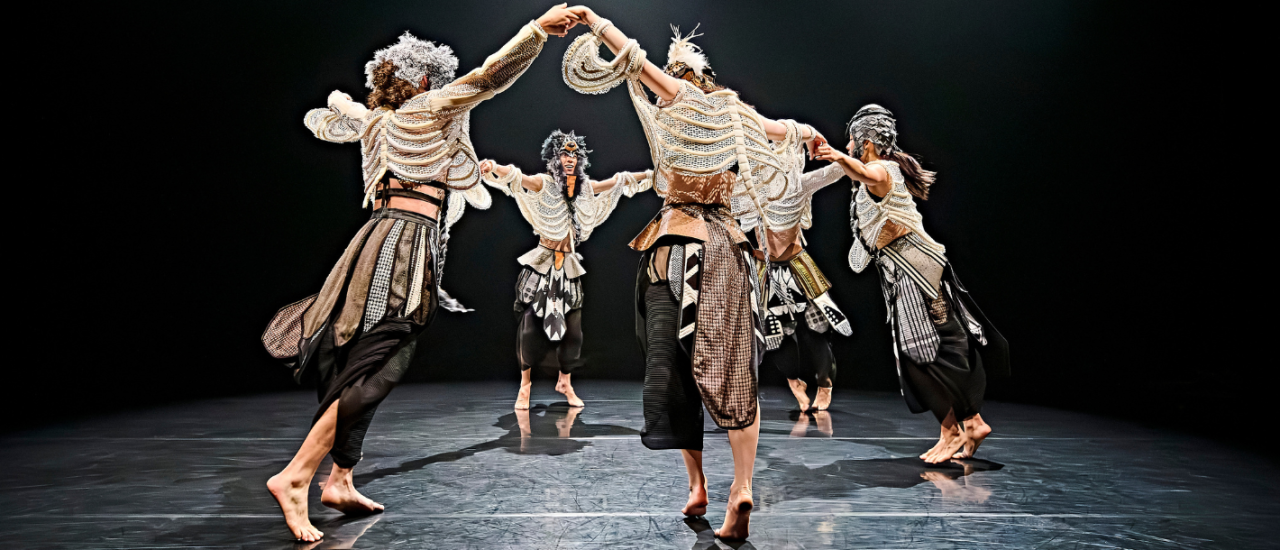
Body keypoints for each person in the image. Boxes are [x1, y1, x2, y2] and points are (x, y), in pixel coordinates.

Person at [257, 6, 581, 541]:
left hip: (380, 240)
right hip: (401, 246)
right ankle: (295, 476)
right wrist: (536, 32)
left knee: (366, 357)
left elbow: (334, 119)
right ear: (427, 79)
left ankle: (340, 478)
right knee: (383, 358)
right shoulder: (426, 110)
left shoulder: (378, 121)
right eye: (439, 79)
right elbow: (488, 77)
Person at [561, 8, 823, 540]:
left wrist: (593, 19)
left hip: (676, 250)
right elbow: (786, 130)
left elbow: (633, 60)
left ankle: (698, 483)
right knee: (731, 369)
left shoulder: (680, 99)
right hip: (729, 253)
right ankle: (738, 485)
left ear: (683, 80)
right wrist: (807, 134)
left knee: (672, 370)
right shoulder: (737, 115)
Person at [813, 104, 1009, 464]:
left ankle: (968, 424)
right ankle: (956, 428)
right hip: (902, 274)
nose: (850, 144)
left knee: (934, 349)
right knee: (918, 355)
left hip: (918, 270)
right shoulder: (874, 172)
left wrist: (837, 155)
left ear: (867, 143)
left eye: (853, 140)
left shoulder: (882, 169)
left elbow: (862, 172)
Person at [478, 130, 651, 409]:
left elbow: (619, 181)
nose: (569, 159)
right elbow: (517, 177)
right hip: (543, 263)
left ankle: (565, 382)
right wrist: (493, 167)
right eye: (564, 154)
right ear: (555, 158)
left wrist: (650, 175)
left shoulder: (584, 189)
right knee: (530, 330)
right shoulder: (544, 183)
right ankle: (525, 386)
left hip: (569, 267)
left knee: (574, 334)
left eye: (574, 155)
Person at [742, 134, 852, 412]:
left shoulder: (800, 184)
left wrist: (830, 150)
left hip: (797, 266)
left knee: (816, 329)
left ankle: (825, 384)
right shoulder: (752, 190)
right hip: (766, 268)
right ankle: (794, 383)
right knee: (775, 335)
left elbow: (838, 170)